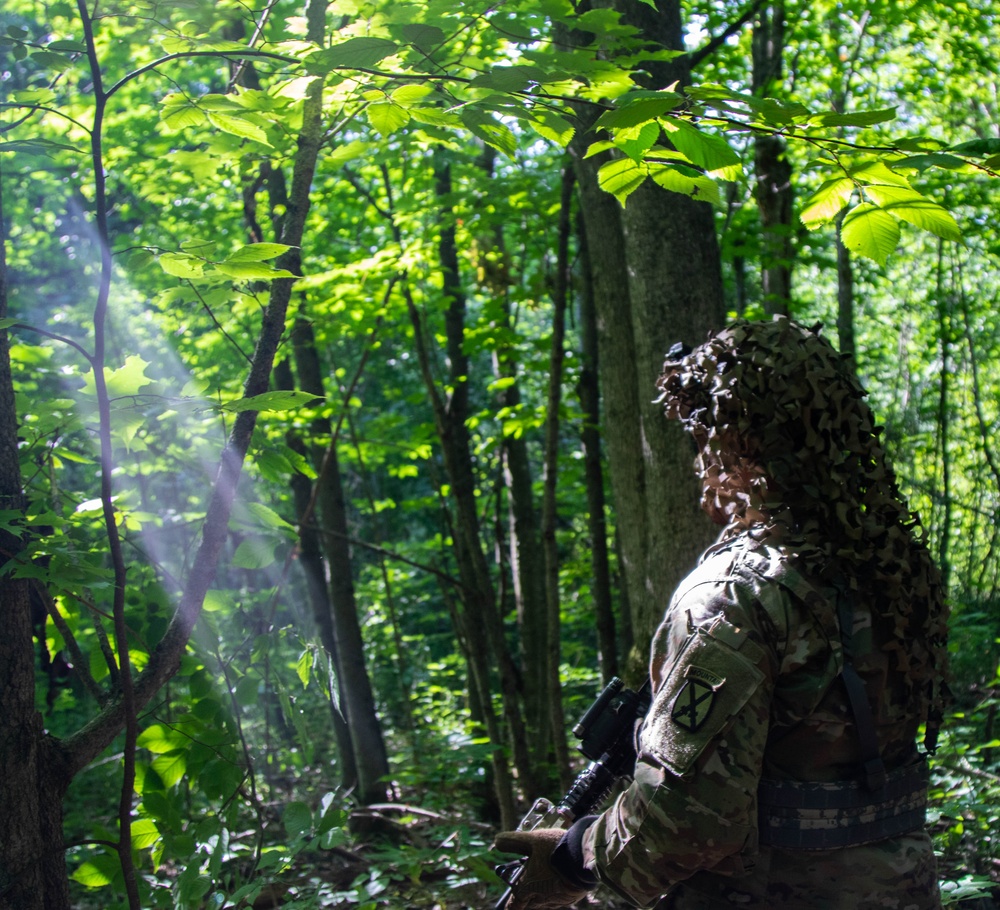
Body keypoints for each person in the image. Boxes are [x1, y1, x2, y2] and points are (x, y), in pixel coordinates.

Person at [494, 317, 949, 909]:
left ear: (734, 441)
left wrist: (575, 854)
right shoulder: (892, 564)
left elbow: (686, 819)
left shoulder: (733, 594)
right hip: (903, 887)